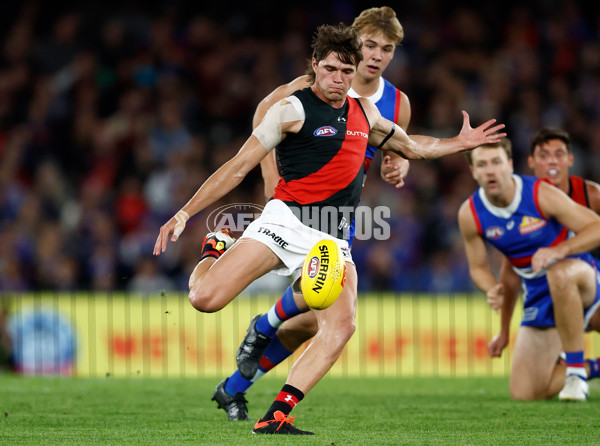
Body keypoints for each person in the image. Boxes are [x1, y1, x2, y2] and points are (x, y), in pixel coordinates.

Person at [154, 23, 505, 435]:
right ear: (315, 67)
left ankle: (277, 415)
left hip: (332, 238)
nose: (339, 79)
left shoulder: (367, 113)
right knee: (203, 299)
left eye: (346, 71)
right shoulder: (292, 109)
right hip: (284, 223)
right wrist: (184, 213)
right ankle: (215, 250)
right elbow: (237, 166)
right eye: (331, 69)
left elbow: (411, 147)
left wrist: (456, 144)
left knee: (342, 325)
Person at [213, 6, 412, 422]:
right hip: (294, 210)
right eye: (369, 45)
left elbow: (398, 150)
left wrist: (400, 165)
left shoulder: (397, 102)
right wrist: (271, 182)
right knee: (330, 313)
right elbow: (264, 116)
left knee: (312, 321)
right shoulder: (314, 84)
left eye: (387, 49)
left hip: (340, 219)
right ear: (353, 45)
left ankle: (235, 383)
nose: (376, 56)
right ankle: (262, 338)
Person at [457, 138, 600, 402]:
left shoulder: (539, 194)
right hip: (538, 294)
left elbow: (596, 227)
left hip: (580, 279)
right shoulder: (470, 213)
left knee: (559, 273)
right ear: (473, 171)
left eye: (496, 162)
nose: (490, 170)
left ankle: (575, 375)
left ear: (509, 165)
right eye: (482, 164)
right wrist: (492, 290)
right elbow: (479, 268)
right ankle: (591, 367)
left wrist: (560, 250)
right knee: (526, 393)